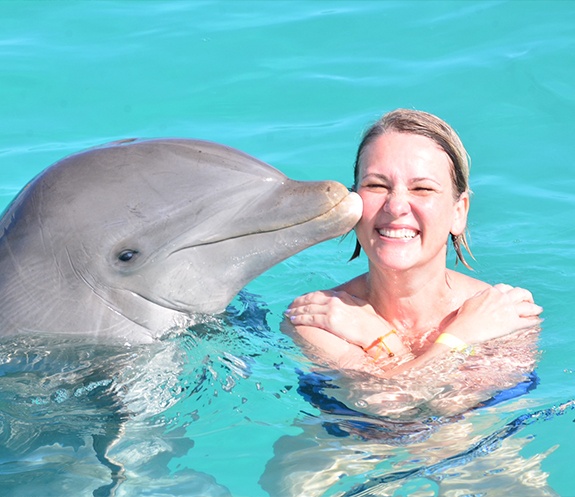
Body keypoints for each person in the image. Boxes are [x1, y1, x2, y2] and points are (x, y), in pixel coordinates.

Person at [284, 108, 543, 385]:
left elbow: (447, 408)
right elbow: (383, 405)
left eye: (422, 189)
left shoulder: (503, 312)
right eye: (376, 185)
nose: (395, 206)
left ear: (459, 212)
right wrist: (464, 336)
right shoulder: (320, 314)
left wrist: (378, 341)